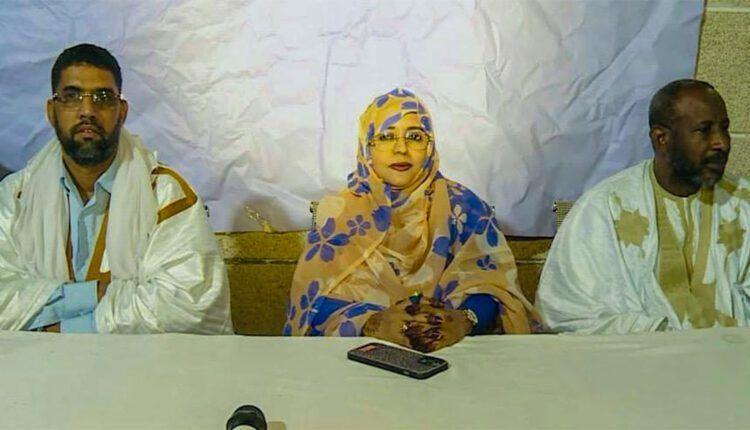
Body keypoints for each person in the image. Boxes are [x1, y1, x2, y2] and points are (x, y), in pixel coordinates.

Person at [0, 43, 232, 333]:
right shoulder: (16, 197)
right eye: (72, 97)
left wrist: (61, 330)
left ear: (122, 112)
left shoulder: (164, 194)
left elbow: (188, 305)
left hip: (137, 363)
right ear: (52, 111)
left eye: (103, 97)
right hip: (38, 362)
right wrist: (91, 294)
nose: (87, 111)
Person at [285, 88, 540, 352]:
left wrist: (463, 320)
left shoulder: (465, 206)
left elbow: (494, 287)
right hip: (359, 355)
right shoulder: (340, 213)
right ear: (367, 146)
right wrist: (374, 324)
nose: (401, 149)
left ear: (430, 146)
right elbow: (313, 301)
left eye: (415, 137)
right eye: (386, 137)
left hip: (452, 353)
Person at [536, 79, 750, 334]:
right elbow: (567, 313)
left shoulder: (743, 202)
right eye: (704, 131)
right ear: (662, 139)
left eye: (724, 129)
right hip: (639, 356)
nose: (722, 143)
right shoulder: (604, 208)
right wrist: (663, 338)